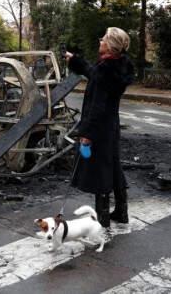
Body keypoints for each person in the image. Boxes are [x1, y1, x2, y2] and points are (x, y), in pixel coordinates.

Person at [64, 27, 134, 228]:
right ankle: (121, 212)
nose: (100, 41)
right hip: (111, 126)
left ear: (110, 45)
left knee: (100, 172)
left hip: (100, 129)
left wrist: (87, 134)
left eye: (103, 39)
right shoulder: (115, 67)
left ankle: (102, 218)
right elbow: (93, 73)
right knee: (113, 167)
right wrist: (75, 60)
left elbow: (97, 107)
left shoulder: (105, 70)